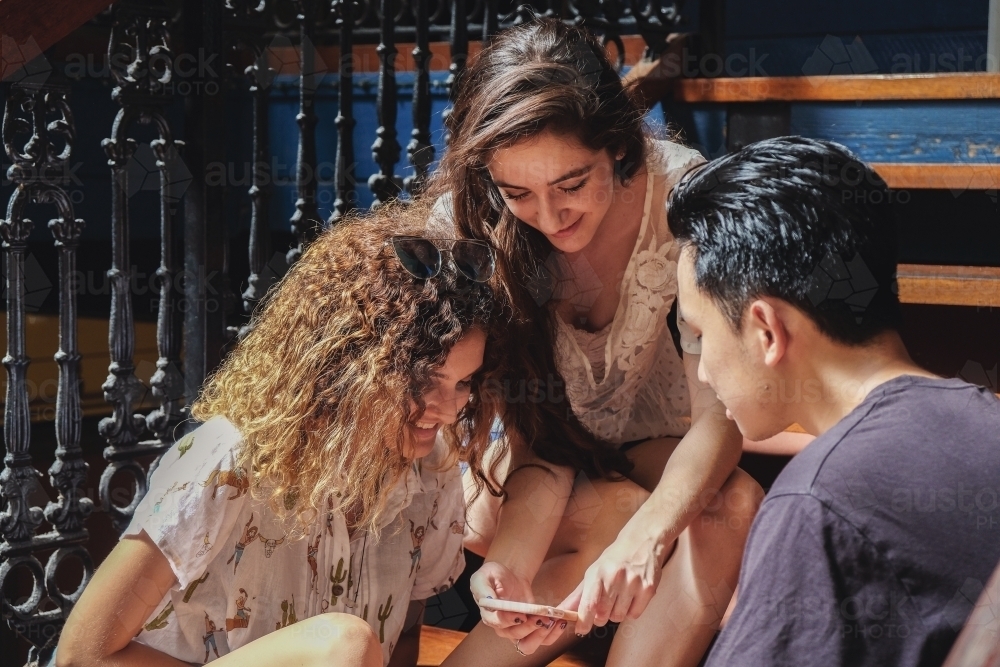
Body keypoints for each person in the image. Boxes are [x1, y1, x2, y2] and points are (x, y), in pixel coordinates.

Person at [427, 18, 771, 667]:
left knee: (733, 504)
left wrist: (647, 535)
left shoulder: (682, 194)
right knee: (582, 512)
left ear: (618, 146)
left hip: (654, 437)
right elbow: (533, 447)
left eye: (572, 184)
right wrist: (506, 564)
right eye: (518, 192)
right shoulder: (470, 223)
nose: (551, 218)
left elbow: (720, 417)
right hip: (526, 462)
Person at [57, 201, 504, 667]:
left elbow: (403, 635)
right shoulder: (226, 460)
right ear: (345, 368)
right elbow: (81, 657)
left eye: (463, 382)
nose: (450, 412)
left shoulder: (432, 468)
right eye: (424, 381)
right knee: (343, 644)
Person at [668, 136, 1000, 667]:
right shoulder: (989, 421)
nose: (703, 370)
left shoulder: (818, 503)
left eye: (701, 334)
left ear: (766, 330)